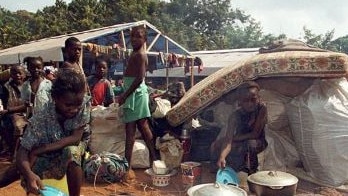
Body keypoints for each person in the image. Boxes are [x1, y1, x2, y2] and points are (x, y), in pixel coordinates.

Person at [16, 68, 91, 196]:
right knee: (22, 167)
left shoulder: (83, 104)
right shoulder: (41, 118)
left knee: (72, 151)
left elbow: (76, 138)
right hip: (49, 158)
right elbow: (23, 150)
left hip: (72, 153)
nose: (74, 109)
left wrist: (42, 149)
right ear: (55, 98)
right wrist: (29, 175)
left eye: (77, 105)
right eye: (68, 105)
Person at [117, 26, 157, 175]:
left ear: (145, 40)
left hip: (135, 94)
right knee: (143, 126)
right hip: (135, 93)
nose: (134, 39)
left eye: (138, 37)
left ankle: (127, 167)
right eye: (132, 36)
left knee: (131, 130)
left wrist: (124, 95)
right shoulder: (135, 53)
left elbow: (139, 78)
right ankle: (154, 158)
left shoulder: (141, 55)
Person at [212, 81, 268, 175]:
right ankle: (219, 169)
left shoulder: (262, 108)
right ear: (240, 102)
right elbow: (228, 142)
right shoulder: (235, 116)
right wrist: (222, 156)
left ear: (258, 98)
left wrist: (232, 139)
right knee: (217, 145)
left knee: (251, 144)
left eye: (253, 100)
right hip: (240, 141)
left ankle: (251, 172)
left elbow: (255, 134)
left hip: (258, 141)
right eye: (245, 101)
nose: (250, 104)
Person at [0, 65, 27, 160]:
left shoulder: (28, 84)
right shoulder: (6, 87)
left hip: (28, 112)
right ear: (11, 74)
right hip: (14, 113)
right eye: (14, 73)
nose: (17, 75)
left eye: (20, 73)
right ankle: (14, 153)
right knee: (18, 126)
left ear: (24, 74)